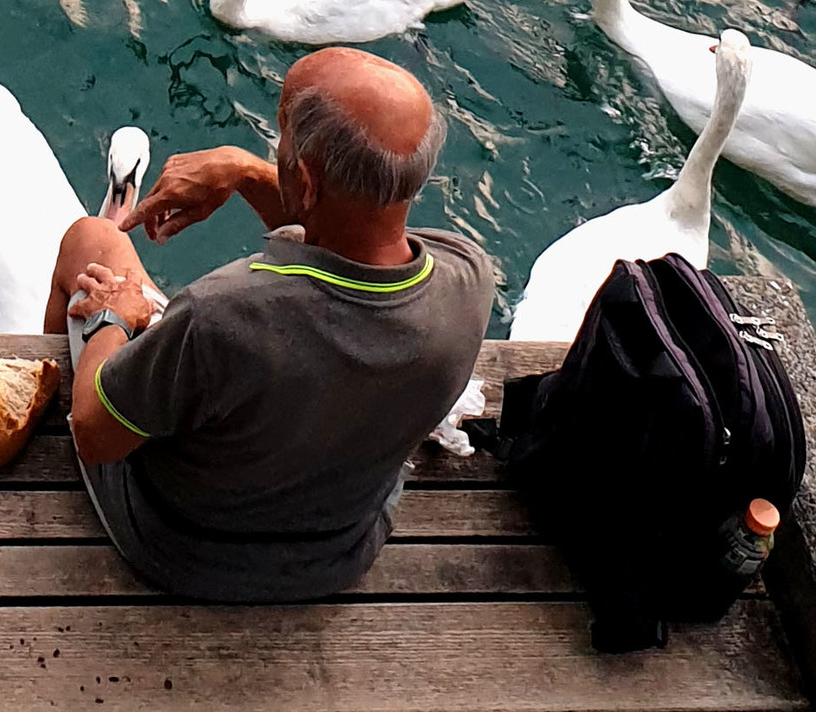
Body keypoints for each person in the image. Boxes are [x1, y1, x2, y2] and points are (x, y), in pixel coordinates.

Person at [44, 46, 494, 601]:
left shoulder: (222, 315)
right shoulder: (469, 281)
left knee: (95, 240)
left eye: (279, 136)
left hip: (181, 548)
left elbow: (94, 436)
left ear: (304, 180)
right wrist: (244, 172)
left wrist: (120, 312)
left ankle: (35, 378)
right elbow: (351, 236)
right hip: (340, 548)